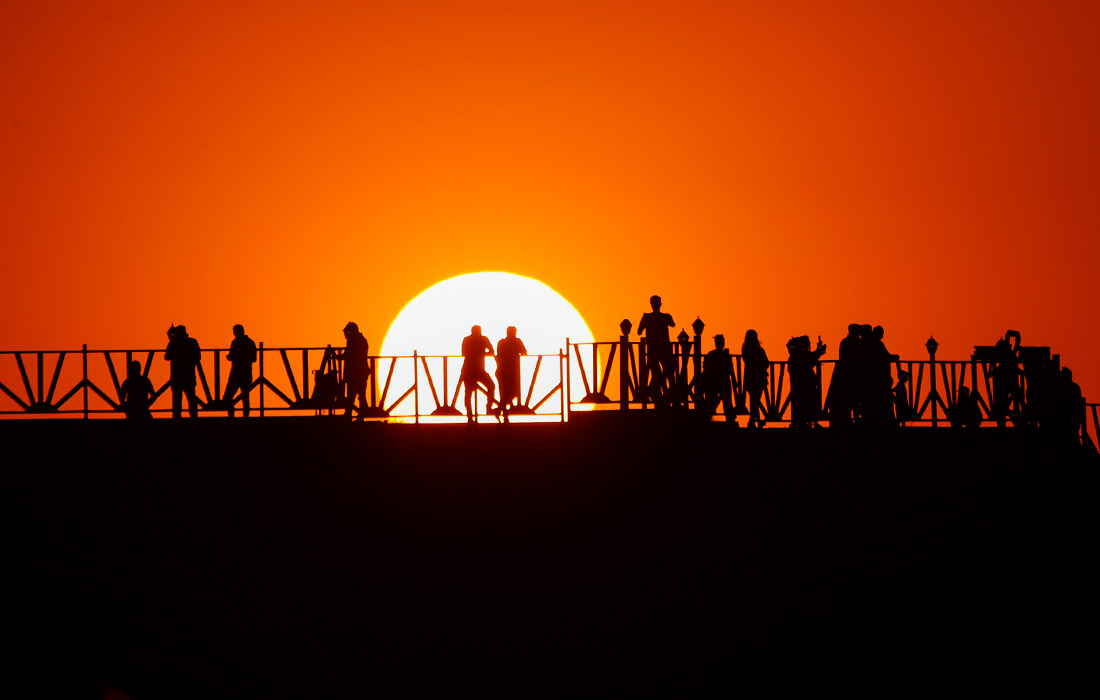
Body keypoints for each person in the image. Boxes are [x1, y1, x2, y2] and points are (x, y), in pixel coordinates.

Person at [637, 295, 676, 406]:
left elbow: (639, 331)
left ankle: (656, 393)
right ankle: (663, 394)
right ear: (660, 304)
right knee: (666, 374)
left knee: (660, 373)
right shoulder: (665, 317)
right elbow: (673, 324)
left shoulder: (647, 317)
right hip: (663, 351)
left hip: (654, 351)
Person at [787, 335, 826, 428]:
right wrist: (819, 351)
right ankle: (805, 421)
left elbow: (811, 358)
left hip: (799, 383)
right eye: (808, 343)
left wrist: (818, 350)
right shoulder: (801, 355)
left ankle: (801, 421)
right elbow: (811, 359)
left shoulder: (795, 355)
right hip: (805, 383)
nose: (809, 345)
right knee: (807, 401)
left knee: (801, 402)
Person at [461, 325, 497, 422]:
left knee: (468, 393)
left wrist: (477, 352)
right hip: (478, 370)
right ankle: (488, 408)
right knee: (491, 386)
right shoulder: (483, 339)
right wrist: (482, 353)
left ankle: (470, 415)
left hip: (468, 370)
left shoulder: (467, 340)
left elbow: (464, 352)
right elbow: (492, 351)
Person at [164, 324, 201, 419]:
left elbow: (167, 357)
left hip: (177, 376)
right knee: (191, 398)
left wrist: (171, 341)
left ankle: (177, 418)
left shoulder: (173, 343)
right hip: (189, 375)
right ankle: (194, 417)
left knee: (177, 399)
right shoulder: (192, 342)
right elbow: (198, 357)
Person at [700, 334, 737, 422]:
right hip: (722, 381)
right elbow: (730, 369)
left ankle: (708, 416)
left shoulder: (711, 354)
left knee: (712, 400)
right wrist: (734, 381)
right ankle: (729, 418)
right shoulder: (726, 355)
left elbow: (705, 368)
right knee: (726, 401)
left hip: (713, 381)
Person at [224, 324, 257, 418]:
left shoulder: (235, 342)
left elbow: (232, 356)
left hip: (236, 373)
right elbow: (254, 358)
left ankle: (231, 416)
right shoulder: (250, 342)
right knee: (245, 396)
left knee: (229, 396)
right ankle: (245, 417)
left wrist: (230, 357)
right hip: (247, 372)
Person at [495, 326, 527, 418]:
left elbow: (498, 354)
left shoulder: (501, 342)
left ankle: (503, 413)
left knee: (504, 393)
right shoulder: (517, 341)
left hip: (501, 371)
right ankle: (500, 410)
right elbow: (524, 352)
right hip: (512, 372)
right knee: (513, 392)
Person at [342, 322, 371, 421]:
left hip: (358, 373)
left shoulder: (356, 341)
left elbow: (351, 354)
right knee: (356, 395)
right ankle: (354, 415)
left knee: (356, 395)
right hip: (358, 372)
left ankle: (358, 415)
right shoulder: (359, 340)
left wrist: (341, 357)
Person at [742, 329, 769, 429]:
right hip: (759, 378)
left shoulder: (745, 349)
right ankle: (753, 420)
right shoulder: (759, 350)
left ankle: (754, 420)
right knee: (755, 400)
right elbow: (766, 363)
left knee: (754, 400)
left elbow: (747, 361)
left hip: (749, 378)